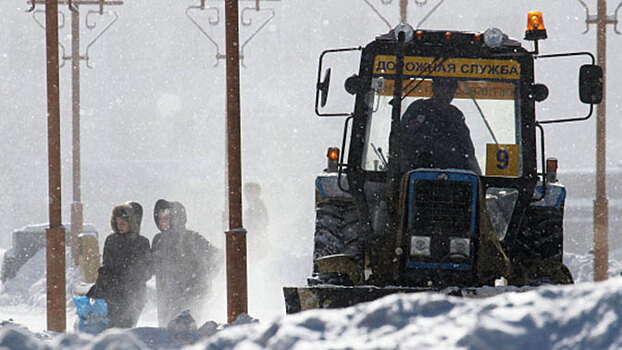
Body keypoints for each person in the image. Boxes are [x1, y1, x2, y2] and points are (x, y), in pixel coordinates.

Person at [151, 199, 221, 326]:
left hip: (190, 297)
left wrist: (203, 280)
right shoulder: (158, 240)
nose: (163, 222)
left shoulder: (191, 238)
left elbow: (217, 256)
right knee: (166, 337)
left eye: (166, 218)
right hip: (166, 299)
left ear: (176, 218)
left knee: (187, 334)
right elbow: (151, 266)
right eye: (160, 218)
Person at [87, 201, 152, 328]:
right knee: (113, 327)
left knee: (127, 325)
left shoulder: (142, 242)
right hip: (113, 292)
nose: (120, 226)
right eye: (117, 223)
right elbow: (107, 265)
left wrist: (133, 278)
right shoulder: (111, 240)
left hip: (133, 292)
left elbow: (146, 268)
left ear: (131, 223)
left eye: (123, 223)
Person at [400, 77, 481, 174]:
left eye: (451, 89)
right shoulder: (418, 109)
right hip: (417, 174)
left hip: (454, 178)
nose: (446, 93)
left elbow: (468, 151)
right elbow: (400, 142)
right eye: (442, 87)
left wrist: (475, 174)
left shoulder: (455, 115)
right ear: (433, 88)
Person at [243, 182, 269, 259]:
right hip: (253, 240)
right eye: (246, 192)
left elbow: (262, 224)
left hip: (255, 241)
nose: (246, 195)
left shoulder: (258, 207)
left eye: (249, 192)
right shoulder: (251, 207)